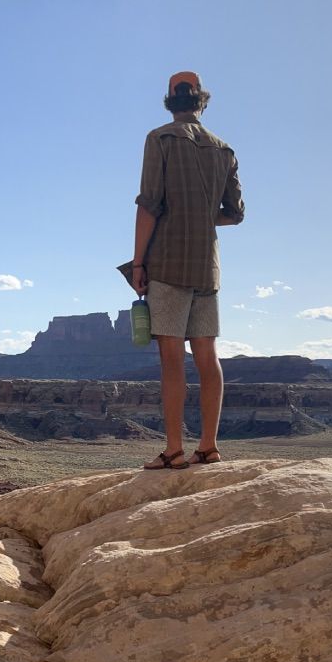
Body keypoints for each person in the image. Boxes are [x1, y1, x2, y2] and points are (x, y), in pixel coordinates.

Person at [129, 70, 245, 470]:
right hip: (206, 267)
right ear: (202, 101)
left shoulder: (159, 138)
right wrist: (201, 217)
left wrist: (139, 262)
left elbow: (148, 204)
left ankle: (174, 450)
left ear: (169, 100)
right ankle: (209, 447)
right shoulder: (224, 150)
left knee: (171, 359)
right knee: (207, 355)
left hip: (167, 262)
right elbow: (236, 214)